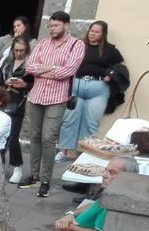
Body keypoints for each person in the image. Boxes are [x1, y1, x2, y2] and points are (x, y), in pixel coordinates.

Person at [58, 21, 124, 161]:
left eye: (97, 32)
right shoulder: (78, 45)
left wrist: (110, 75)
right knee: (69, 119)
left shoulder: (110, 50)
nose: (92, 34)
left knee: (91, 122)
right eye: (91, 30)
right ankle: (63, 152)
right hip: (77, 85)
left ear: (103, 34)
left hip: (98, 89)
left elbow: (121, 67)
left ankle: (83, 154)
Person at [0, 37, 33, 185]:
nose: (18, 53)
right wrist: (4, 82)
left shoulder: (30, 65)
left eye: (22, 50)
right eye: (16, 50)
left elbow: (33, 84)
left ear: (27, 50)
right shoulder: (6, 63)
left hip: (18, 101)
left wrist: (24, 84)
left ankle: (17, 167)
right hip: (3, 98)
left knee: (13, 136)